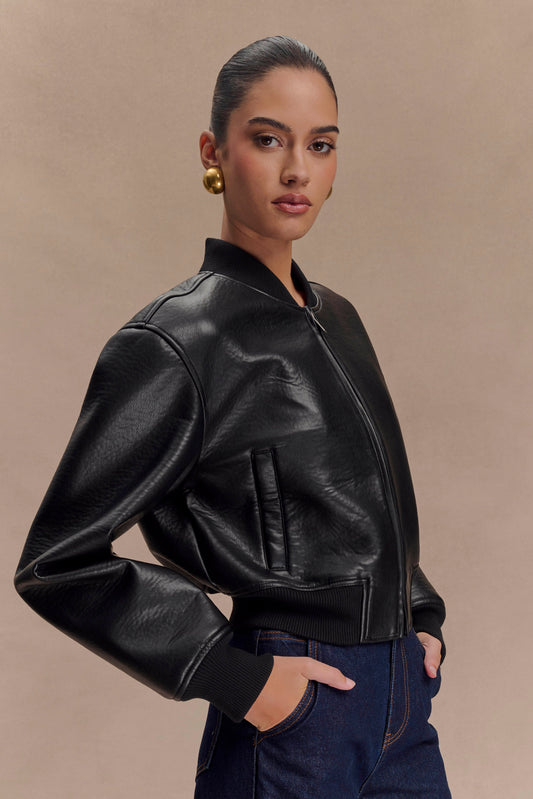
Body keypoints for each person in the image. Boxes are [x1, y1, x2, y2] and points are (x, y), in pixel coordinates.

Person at [14, 35, 451, 798]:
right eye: (268, 139)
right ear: (213, 152)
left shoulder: (337, 316)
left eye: (320, 144)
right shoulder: (176, 341)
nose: (297, 170)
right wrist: (239, 678)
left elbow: (355, 501)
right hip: (296, 710)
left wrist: (419, 614)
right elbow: (59, 561)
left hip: (401, 706)